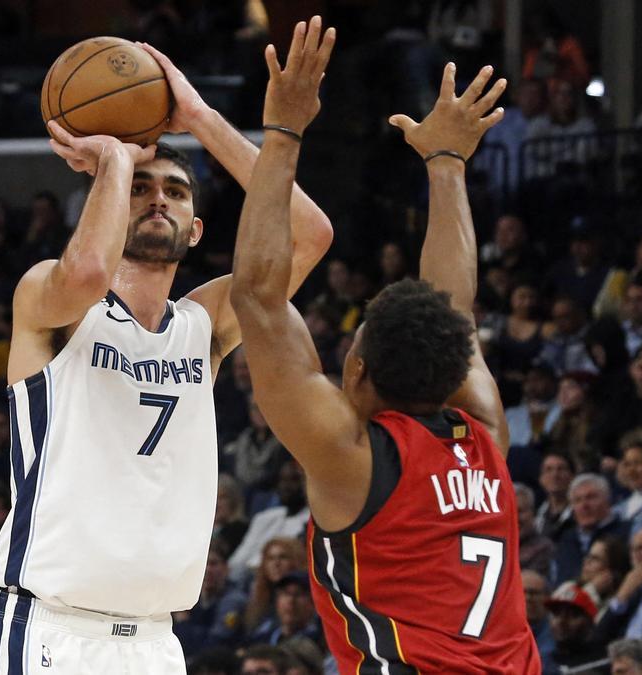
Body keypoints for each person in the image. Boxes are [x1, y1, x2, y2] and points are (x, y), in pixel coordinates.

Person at [0, 20, 333, 675]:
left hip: (155, 641)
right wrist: (116, 159)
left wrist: (197, 117)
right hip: (50, 627)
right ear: (107, 207)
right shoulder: (48, 301)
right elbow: (86, 272)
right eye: (142, 188)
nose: (158, 198)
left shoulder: (204, 325)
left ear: (197, 229)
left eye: (174, 190)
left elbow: (309, 234)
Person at [230, 26, 538, 667]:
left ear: (359, 369)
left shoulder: (353, 459)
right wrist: (448, 163)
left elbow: (259, 296)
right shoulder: (484, 435)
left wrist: (282, 132)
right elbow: (454, 311)